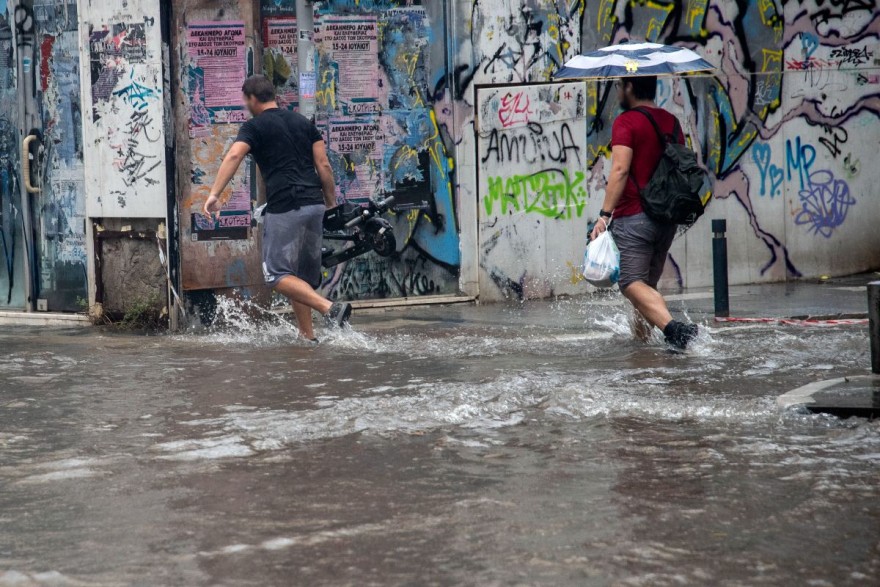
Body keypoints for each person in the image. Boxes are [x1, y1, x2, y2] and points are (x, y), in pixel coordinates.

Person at [204, 75, 352, 342]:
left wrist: (214, 194)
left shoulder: (254, 127)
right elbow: (324, 166)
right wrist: (330, 204)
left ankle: (329, 308)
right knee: (299, 278)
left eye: (244, 100)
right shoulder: (303, 123)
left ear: (251, 98)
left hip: (286, 207)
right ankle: (308, 336)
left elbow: (235, 155)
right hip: (314, 205)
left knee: (276, 274)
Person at [590, 75, 698, 350]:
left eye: (618, 86)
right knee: (646, 285)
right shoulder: (671, 122)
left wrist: (604, 215)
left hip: (635, 216)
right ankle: (643, 343)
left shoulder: (626, 122)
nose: (617, 92)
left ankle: (673, 330)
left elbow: (620, 170)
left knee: (630, 283)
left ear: (629, 87)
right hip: (665, 217)